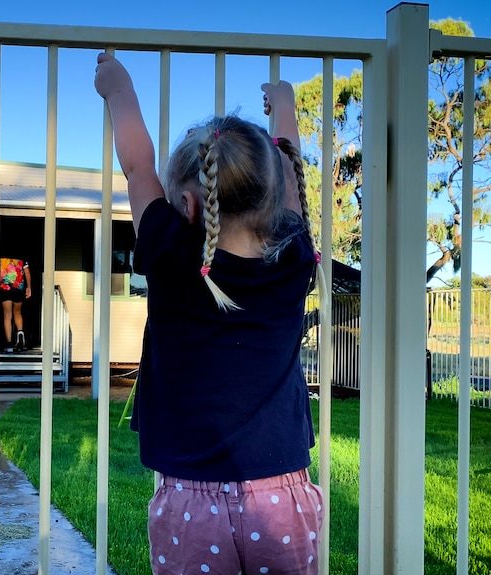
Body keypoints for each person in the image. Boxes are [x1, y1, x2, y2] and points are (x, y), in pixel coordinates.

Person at [94, 52, 325, 574]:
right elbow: (288, 175)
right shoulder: (292, 259)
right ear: (271, 199)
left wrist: (118, 89)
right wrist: (284, 107)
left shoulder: (171, 254)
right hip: (283, 497)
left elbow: (136, 165)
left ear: (189, 206)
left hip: (189, 500)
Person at [0, 256, 32, 352]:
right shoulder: (21, 258)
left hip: (5, 288)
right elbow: (27, 272)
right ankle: (20, 333)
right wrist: (29, 287)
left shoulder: (0, 258)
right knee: (17, 312)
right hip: (18, 288)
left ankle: (9, 344)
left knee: (7, 316)